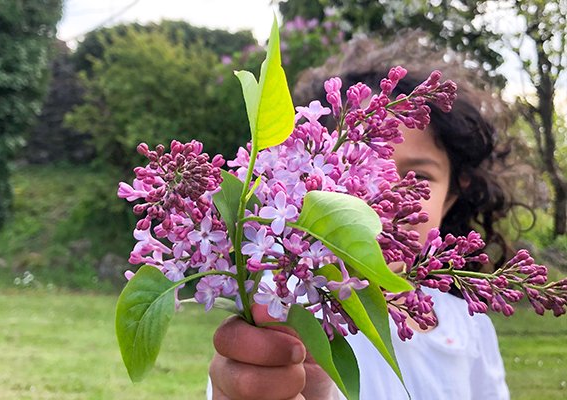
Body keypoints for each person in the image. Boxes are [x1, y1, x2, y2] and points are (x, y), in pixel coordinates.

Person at [208, 33, 518, 400]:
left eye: (419, 178)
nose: (385, 195)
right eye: (361, 167)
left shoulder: (471, 326)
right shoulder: (287, 310)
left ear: (451, 198)